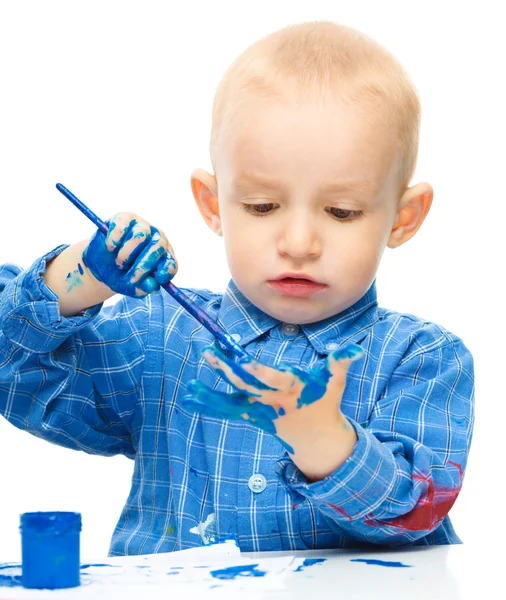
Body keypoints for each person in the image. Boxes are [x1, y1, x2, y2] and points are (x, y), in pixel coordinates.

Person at [0, 21, 474, 556]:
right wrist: (81, 277)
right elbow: (16, 378)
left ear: (403, 218)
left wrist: (323, 439)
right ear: (212, 204)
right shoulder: (160, 337)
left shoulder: (424, 357)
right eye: (262, 207)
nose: (298, 243)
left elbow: (416, 512)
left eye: (341, 211)